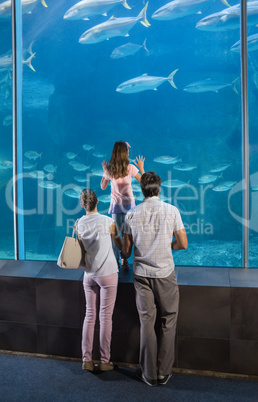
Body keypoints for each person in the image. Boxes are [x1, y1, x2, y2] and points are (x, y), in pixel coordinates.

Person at [122, 171, 188, 386]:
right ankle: (164, 371)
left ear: (142, 190)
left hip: (141, 275)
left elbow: (126, 251)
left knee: (146, 323)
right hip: (165, 273)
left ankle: (149, 374)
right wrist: (168, 247)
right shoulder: (172, 210)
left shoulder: (131, 214)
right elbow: (183, 243)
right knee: (168, 320)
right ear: (159, 189)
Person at [76, 188, 122, 372]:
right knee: (105, 318)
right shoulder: (108, 221)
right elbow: (119, 244)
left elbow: (81, 248)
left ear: (82, 204)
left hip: (89, 275)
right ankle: (105, 361)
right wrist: (125, 254)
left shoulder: (78, 223)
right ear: (98, 202)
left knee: (89, 316)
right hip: (108, 273)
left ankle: (86, 360)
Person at [100, 140, 145, 269]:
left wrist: (104, 171)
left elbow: (103, 187)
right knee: (128, 233)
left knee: (116, 234)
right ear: (125, 154)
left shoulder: (110, 169)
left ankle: (115, 261)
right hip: (129, 205)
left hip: (115, 205)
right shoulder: (130, 167)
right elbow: (144, 182)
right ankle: (124, 258)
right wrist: (141, 168)